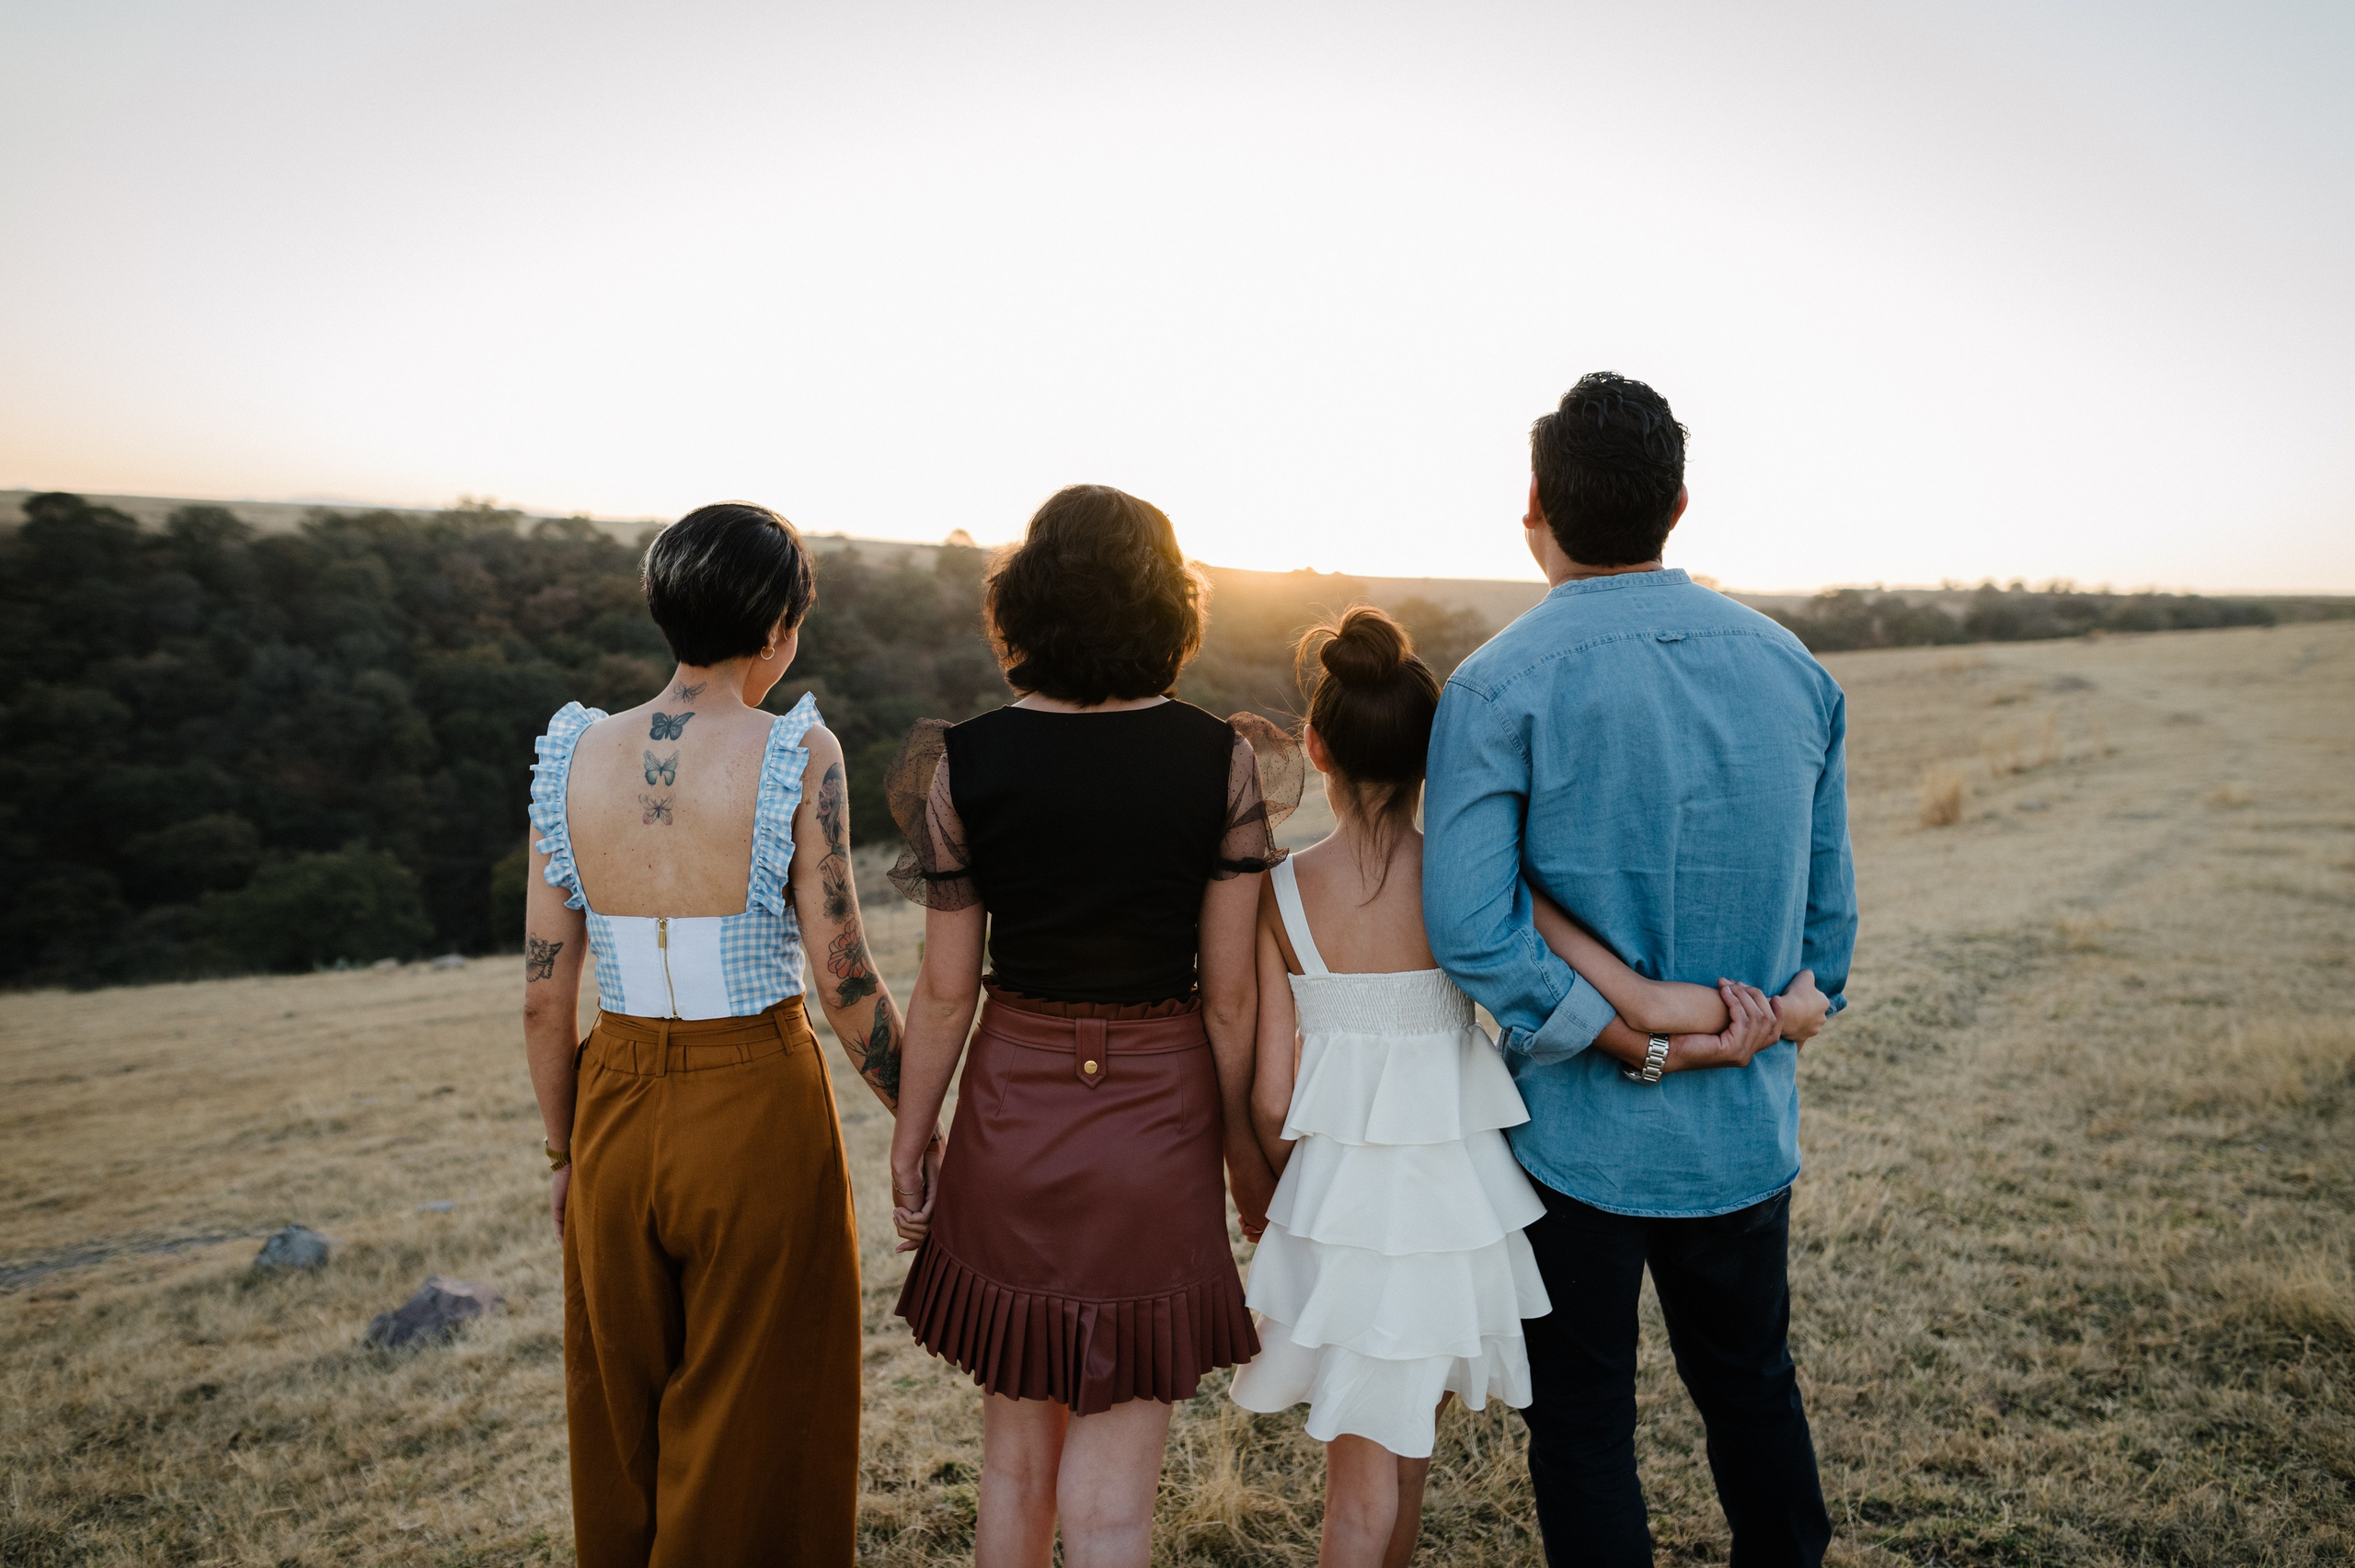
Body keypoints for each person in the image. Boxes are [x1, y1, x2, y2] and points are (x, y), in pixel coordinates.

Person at [1232, 607, 1801, 1568]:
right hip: (1455, 1207)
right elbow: (1605, 993)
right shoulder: (1468, 884)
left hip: (1337, 1201)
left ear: (1315, 744)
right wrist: (1754, 1020)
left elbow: (1271, 1096)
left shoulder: (1278, 892)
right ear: (1430, 755)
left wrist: (1293, 1188)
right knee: (1408, 1449)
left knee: (1360, 1475)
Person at [1423, 373, 1856, 1566]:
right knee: (1755, 1392)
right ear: (1677, 501)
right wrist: (1749, 1028)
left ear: (1533, 504)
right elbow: (1832, 939)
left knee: (1581, 1424)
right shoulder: (1794, 672)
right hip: (1742, 1131)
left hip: (1571, 1138)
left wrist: (1621, 1038)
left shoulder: (1495, 683)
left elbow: (1470, 928)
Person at [882, 484, 1297, 1568]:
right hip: (1157, 1120)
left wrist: (910, 1137)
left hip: (1010, 1110)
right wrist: (1250, 1155)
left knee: (1015, 1472)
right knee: (1113, 1507)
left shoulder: (962, 761)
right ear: (1168, 604)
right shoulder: (1220, 760)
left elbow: (942, 991)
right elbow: (1235, 997)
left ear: (1026, 602)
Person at [518, 501, 915, 1568]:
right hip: (755, 1103)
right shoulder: (796, 750)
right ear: (780, 624)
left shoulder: (570, 755)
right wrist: (925, 1123)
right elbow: (844, 978)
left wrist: (563, 1153)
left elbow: (544, 995)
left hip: (611, 1103)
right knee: (759, 1409)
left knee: (621, 1415)